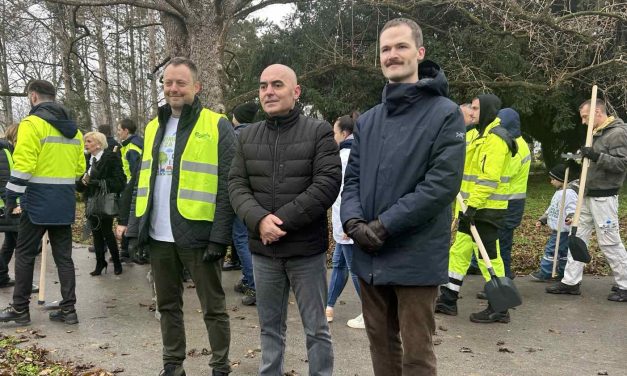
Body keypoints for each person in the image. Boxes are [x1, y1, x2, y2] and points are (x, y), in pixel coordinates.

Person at [341, 18, 465, 375]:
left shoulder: (445, 114)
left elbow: (440, 186)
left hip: (416, 255)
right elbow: (353, 182)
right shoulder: (369, 120)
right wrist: (353, 222)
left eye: (401, 47)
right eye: (385, 49)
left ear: (420, 53)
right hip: (369, 256)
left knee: (416, 355)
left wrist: (383, 226)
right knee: (381, 346)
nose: (392, 55)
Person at [123, 57, 235, 376]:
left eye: (180, 83)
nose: (173, 88)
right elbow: (142, 180)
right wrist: (135, 230)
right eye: (168, 83)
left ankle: (220, 367)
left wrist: (219, 237)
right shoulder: (153, 126)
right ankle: (173, 365)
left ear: (196, 87)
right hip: (159, 236)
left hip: (198, 235)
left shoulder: (216, 125)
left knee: (213, 308)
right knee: (167, 306)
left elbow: (229, 185)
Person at [228, 64, 341, 376]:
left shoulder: (318, 132)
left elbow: (327, 184)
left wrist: (279, 222)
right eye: (263, 86)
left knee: (316, 329)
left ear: (296, 91)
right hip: (264, 253)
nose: (269, 91)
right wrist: (259, 220)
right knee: (269, 329)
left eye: (277, 84)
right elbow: (236, 185)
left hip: (305, 251)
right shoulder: (247, 137)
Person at [0, 79, 85, 325]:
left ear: (33, 96)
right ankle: (69, 310)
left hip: (36, 202)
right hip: (64, 203)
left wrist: (10, 198)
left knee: (24, 254)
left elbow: (24, 166)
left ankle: (20, 310)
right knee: (64, 258)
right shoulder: (75, 131)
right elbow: (79, 168)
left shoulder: (32, 125)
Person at [435, 93, 517, 323]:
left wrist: (473, 206)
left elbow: (489, 179)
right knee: (459, 251)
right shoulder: (477, 135)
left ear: (489, 110)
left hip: (486, 209)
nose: (472, 112)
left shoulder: (497, 139)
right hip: (470, 207)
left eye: (476, 108)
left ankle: (500, 308)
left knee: (488, 257)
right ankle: (448, 299)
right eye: (471, 108)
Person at [546, 99, 627, 301]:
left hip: (604, 197)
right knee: (577, 237)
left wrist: (597, 156)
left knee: (609, 242)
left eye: (585, 117)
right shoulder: (597, 132)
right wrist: (576, 160)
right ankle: (571, 282)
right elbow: (591, 163)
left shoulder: (617, 133)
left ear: (598, 112)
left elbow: (621, 164)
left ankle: (625, 284)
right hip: (587, 194)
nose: (583, 122)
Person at [325, 113, 364, 329]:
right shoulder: (349, 154)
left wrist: (349, 222)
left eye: (334, 133)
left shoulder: (345, 157)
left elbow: (345, 194)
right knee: (339, 264)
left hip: (348, 222)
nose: (333, 137)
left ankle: (370, 310)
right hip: (344, 222)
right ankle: (329, 306)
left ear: (344, 133)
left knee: (353, 267)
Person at [78, 131, 126, 276]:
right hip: (91, 201)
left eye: (89, 141)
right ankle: (100, 263)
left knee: (106, 232)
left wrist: (98, 183)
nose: (86, 144)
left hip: (105, 201)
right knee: (95, 233)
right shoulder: (86, 159)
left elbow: (120, 181)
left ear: (99, 144)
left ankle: (117, 262)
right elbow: (80, 182)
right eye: (85, 141)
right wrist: (81, 184)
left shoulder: (111, 158)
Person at [228, 101, 258, 306]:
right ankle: (249, 279)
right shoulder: (259, 134)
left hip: (240, 195)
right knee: (250, 238)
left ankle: (255, 286)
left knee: (240, 238)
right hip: (257, 196)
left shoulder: (235, 137)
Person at [529, 164, 578, 281]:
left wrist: (571, 216)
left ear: (562, 179)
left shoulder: (569, 193)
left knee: (551, 251)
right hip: (558, 229)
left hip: (563, 230)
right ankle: (562, 272)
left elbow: (574, 208)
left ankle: (545, 273)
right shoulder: (559, 192)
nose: (551, 182)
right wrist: (543, 219)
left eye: (553, 179)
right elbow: (552, 209)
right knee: (562, 252)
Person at [116, 118, 144, 262]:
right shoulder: (130, 145)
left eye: (120, 130)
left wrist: (128, 189)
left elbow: (135, 172)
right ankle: (126, 251)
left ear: (126, 131)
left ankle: (128, 251)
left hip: (133, 188)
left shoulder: (132, 148)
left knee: (128, 218)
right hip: (131, 187)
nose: (118, 133)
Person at [0, 124, 20, 288]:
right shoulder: (4, 152)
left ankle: (2, 276)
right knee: (20, 242)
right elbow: (4, 181)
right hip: (6, 206)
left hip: (5, 204)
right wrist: (11, 204)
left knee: (10, 241)